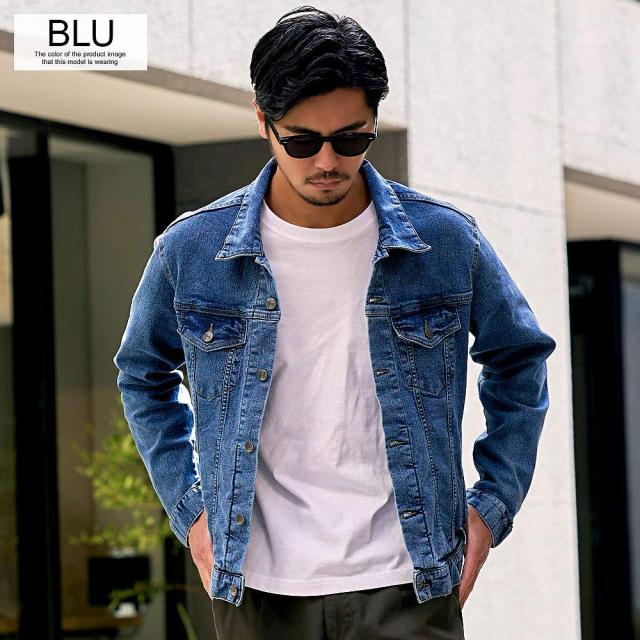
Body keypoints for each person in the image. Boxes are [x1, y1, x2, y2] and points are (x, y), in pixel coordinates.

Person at [114, 5, 556, 639]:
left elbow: (520, 358)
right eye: (302, 141)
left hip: (407, 582)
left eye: (352, 139)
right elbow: (142, 374)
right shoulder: (192, 251)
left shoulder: (443, 242)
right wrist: (191, 512)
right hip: (259, 590)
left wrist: (490, 509)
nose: (327, 160)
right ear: (263, 122)